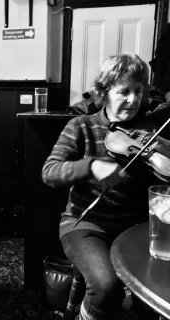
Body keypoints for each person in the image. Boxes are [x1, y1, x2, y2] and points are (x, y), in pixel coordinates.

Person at [42, 53, 164, 320]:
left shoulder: (151, 132)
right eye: (124, 92)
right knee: (106, 286)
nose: (133, 100)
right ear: (105, 92)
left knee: (154, 292)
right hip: (85, 223)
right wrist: (90, 166)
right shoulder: (81, 126)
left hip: (136, 228)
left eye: (138, 91)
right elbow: (49, 172)